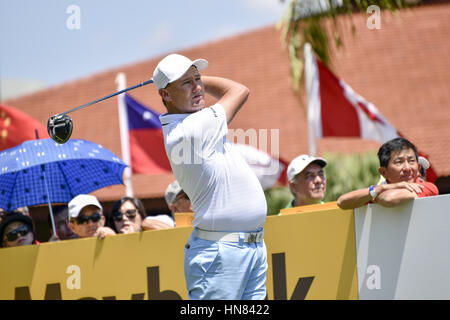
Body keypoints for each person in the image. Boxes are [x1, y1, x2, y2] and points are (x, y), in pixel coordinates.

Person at [155, 53, 267, 300]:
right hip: (220, 254)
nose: (198, 87)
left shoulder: (194, 123)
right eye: (187, 83)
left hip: (250, 248)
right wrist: (200, 77)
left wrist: (189, 78)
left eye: (198, 79)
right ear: (165, 95)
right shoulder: (190, 130)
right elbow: (239, 90)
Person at [337, 137, 439, 210]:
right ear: (383, 172)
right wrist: (379, 189)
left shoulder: (428, 187)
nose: (407, 168)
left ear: (418, 167)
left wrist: (376, 194)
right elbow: (342, 202)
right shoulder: (379, 191)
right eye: (399, 162)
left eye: (411, 161)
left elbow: (388, 198)